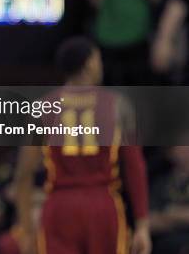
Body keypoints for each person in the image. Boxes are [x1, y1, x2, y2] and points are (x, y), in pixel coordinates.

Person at [13, 37, 151, 254]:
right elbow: (135, 168)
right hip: (103, 205)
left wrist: (27, 230)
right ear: (89, 64)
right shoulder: (118, 105)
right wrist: (142, 225)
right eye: (98, 59)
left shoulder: (42, 107)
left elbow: (24, 173)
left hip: (60, 207)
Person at [150, 145, 189, 253]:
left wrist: (169, 212)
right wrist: (181, 218)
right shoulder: (160, 182)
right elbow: (149, 222)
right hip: (163, 246)